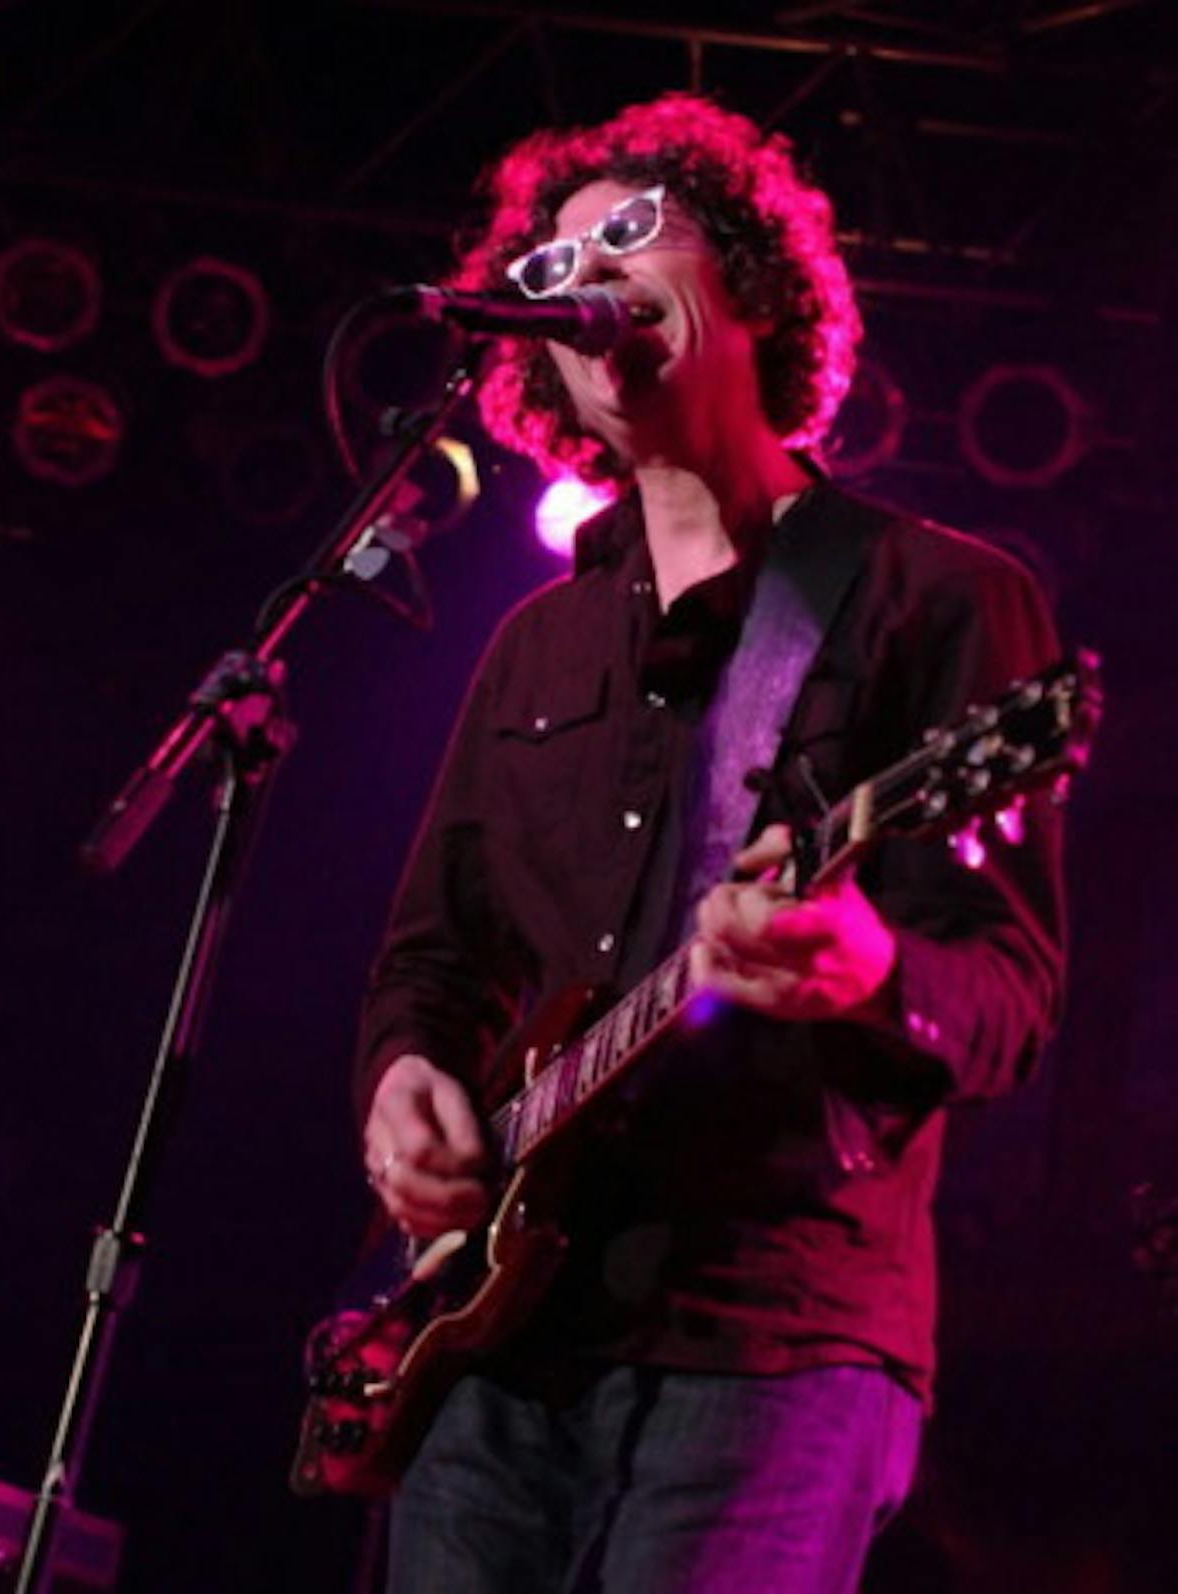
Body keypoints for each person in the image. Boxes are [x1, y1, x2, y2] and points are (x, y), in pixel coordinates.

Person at [353, 94, 1064, 1592]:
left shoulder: (933, 598)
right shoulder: (534, 648)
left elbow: (1010, 996)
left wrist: (872, 966)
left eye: (626, 237)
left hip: (776, 1336)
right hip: (495, 1346)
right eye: (548, 273)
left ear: (746, 280)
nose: (585, 280)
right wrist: (405, 1088)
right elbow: (434, 956)